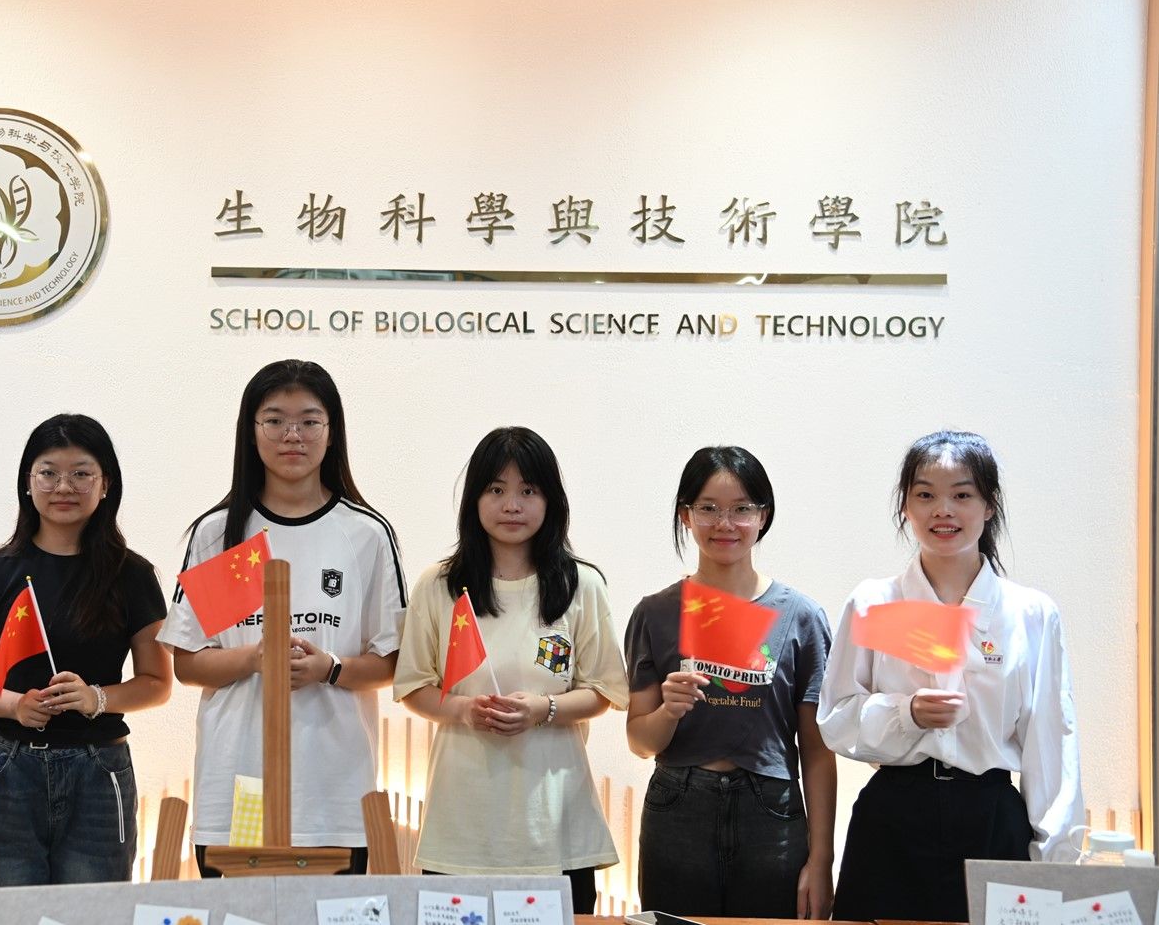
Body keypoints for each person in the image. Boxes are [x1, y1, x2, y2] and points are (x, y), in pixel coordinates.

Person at [818, 430, 1083, 922]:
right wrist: (907, 714)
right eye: (925, 495)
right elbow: (835, 718)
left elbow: (1051, 742)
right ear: (905, 506)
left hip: (992, 819)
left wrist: (1055, 868)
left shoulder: (1030, 613)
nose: (943, 510)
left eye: (962, 495)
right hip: (893, 818)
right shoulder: (874, 602)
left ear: (989, 505)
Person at [158, 359, 406, 877]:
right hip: (238, 786)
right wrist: (254, 658)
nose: (292, 435)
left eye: (309, 421)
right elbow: (189, 663)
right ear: (251, 432)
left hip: (335, 795)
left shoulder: (365, 534)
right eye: (274, 420)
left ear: (331, 432)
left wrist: (329, 669)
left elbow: (390, 662)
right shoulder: (221, 533)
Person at [394, 426, 626, 914]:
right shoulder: (439, 585)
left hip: (556, 827)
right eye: (496, 490)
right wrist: (463, 710)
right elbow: (414, 685)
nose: (512, 506)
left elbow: (603, 690)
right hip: (461, 827)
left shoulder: (581, 584)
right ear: (474, 500)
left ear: (550, 500)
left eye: (528, 491)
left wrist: (544, 709)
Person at [0, 413, 171, 885]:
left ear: (105, 484)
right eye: (48, 472)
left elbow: (157, 683)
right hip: (8, 767)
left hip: (99, 769)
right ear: (28, 482)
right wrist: (15, 705)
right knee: (7, 915)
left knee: (93, 915)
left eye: (81, 473)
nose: (63, 486)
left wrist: (96, 698)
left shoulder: (132, 574)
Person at [623, 446, 835, 918]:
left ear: (763, 516)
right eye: (708, 508)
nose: (725, 524)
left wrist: (822, 859)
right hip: (678, 806)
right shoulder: (654, 613)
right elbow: (639, 741)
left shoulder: (800, 616)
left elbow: (818, 750)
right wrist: (668, 711)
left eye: (742, 509)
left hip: (771, 814)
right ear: (685, 515)